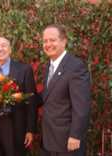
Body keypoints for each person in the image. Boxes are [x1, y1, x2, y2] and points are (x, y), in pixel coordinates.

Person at [0, 37, 38, 156]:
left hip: (14, 126)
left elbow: (31, 102)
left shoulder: (24, 69)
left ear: (10, 49)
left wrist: (30, 130)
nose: (0, 49)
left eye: (4, 45)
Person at [40, 24, 91, 156]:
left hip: (68, 141)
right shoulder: (48, 66)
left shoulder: (75, 66)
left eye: (52, 40)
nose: (48, 44)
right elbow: (48, 96)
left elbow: (82, 105)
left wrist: (75, 135)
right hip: (49, 139)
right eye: (45, 41)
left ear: (64, 41)